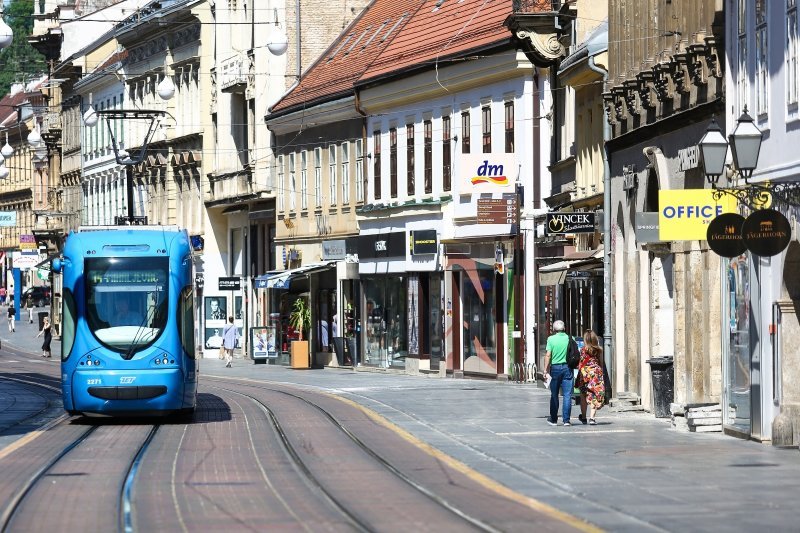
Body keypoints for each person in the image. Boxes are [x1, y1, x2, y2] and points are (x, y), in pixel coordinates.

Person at [543, 319, 573, 426]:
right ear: (564, 328)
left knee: (554, 394)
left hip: (555, 368)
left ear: (554, 329)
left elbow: (548, 355)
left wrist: (545, 370)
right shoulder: (570, 338)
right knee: (567, 395)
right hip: (567, 368)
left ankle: (554, 419)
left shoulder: (551, 339)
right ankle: (566, 420)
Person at [576, 330, 605, 425]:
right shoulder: (599, 350)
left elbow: (580, 362)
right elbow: (600, 363)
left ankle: (583, 417)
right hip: (595, 373)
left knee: (583, 395)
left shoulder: (582, 350)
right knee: (594, 394)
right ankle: (592, 418)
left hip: (584, 374)